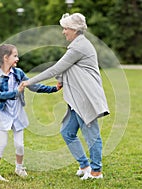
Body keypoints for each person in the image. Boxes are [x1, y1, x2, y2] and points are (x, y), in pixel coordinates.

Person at [21, 13, 110, 180]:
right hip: (76, 97)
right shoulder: (77, 45)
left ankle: (96, 172)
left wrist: (29, 81)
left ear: (74, 30)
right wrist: (61, 80)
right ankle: (85, 166)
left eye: (65, 29)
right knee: (67, 132)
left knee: (92, 135)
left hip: (85, 97)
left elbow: (56, 68)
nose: (63, 32)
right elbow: (68, 68)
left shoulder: (79, 46)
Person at [0, 44, 61, 181]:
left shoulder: (18, 73)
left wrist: (53, 89)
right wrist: (17, 92)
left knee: (19, 144)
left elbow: (33, 85)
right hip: (3, 113)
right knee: (2, 143)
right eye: (15, 56)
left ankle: (19, 168)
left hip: (17, 112)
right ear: (5, 58)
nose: (18, 58)